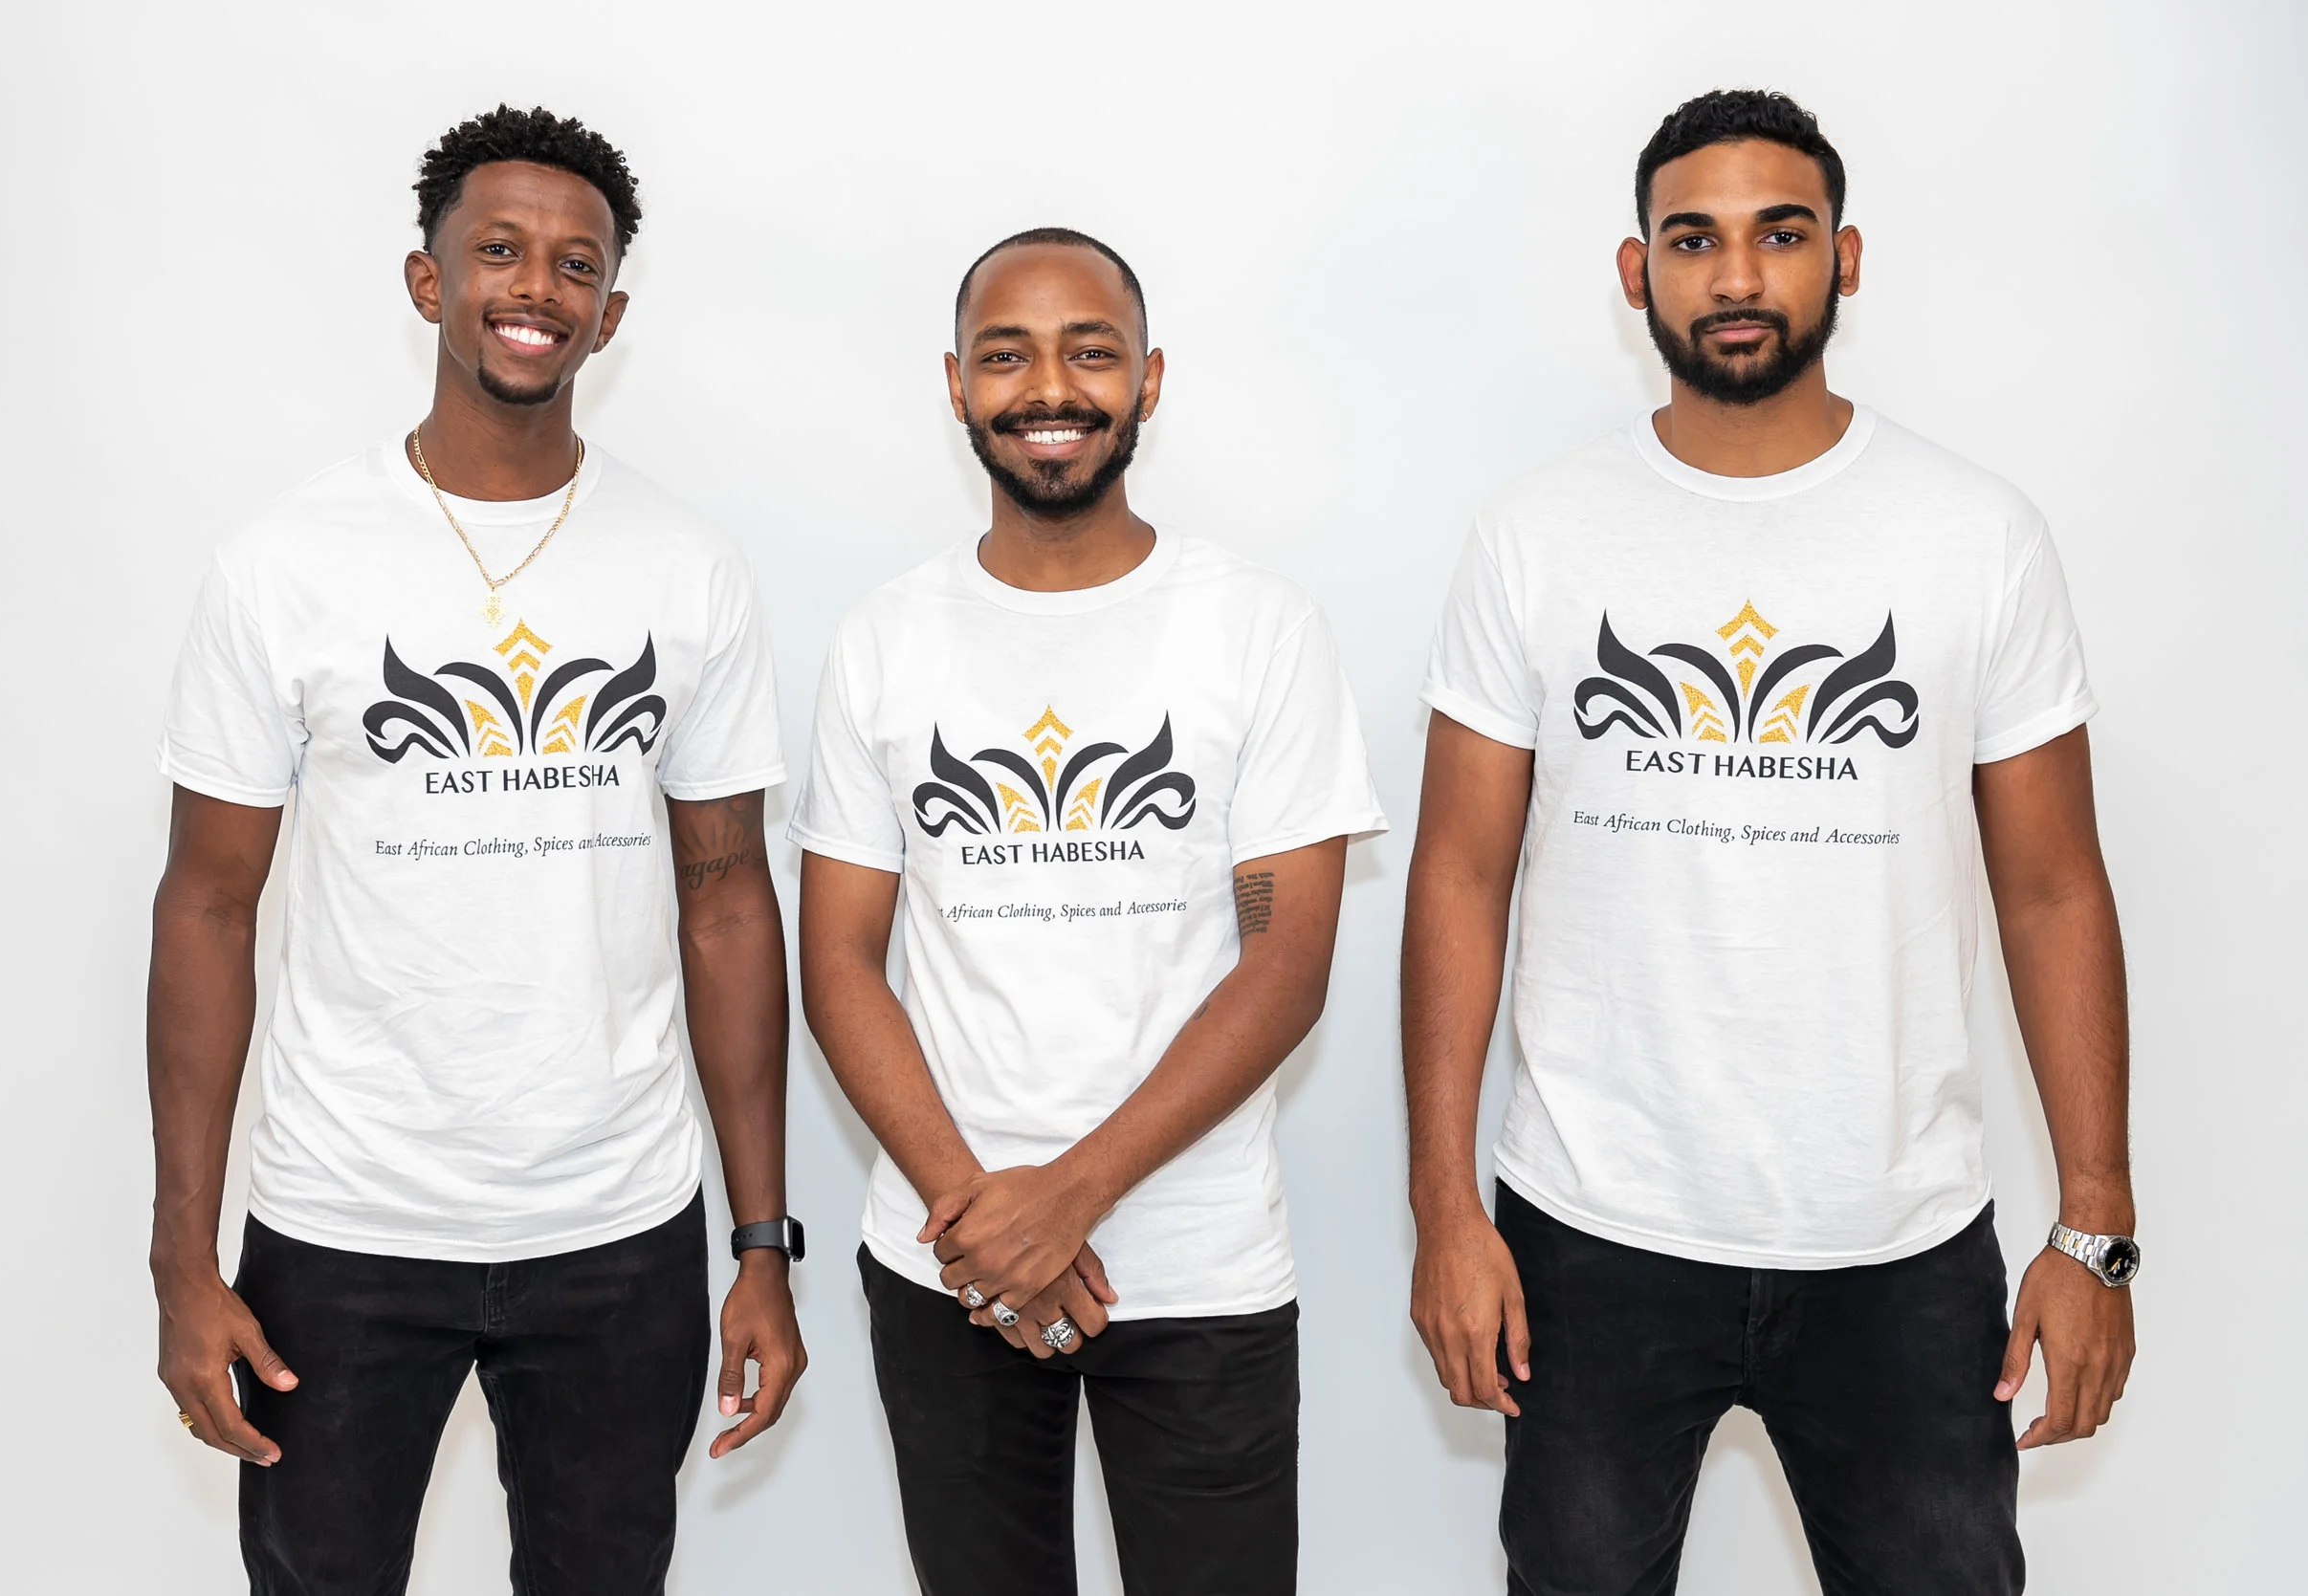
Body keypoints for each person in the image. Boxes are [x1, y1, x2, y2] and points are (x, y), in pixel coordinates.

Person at [1401, 89, 2137, 1595]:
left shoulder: (1975, 534)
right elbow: (1458, 877)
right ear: (1637, 274)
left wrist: (2097, 1230)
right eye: (1694, 240)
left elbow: (2055, 888)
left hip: (1898, 1241)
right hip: (1592, 1232)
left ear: (1844, 258)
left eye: (1779, 234)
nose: (1737, 276)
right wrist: (1443, 1211)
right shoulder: (1537, 534)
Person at [147, 105, 805, 1594]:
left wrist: (763, 1242)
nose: (537, 286)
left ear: (610, 314)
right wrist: (182, 1255)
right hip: (343, 1222)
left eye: (577, 264)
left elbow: (726, 900)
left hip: (616, 1228)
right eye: (499, 249)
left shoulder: (687, 567)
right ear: (427, 279)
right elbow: (206, 907)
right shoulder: (286, 564)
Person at [790, 228, 1387, 1595]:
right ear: (956, 384)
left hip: (1196, 1267)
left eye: (1090, 352)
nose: (1048, 388)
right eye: (1006, 355)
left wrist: (1069, 1198)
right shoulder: (886, 636)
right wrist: (982, 1220)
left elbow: (1287, 965)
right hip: (946, 1262)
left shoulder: (1259, 628)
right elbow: (838, 962)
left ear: (1149, 380)